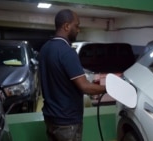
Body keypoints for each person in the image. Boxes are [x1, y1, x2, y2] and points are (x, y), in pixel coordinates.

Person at [38, 9, 106, 141]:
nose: (78, 30)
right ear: (66, 26)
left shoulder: (45, 48)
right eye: (77, 25)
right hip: (67, 122)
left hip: (50, 117)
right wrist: (108, 88)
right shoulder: (67, 52)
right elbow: (85, 87)